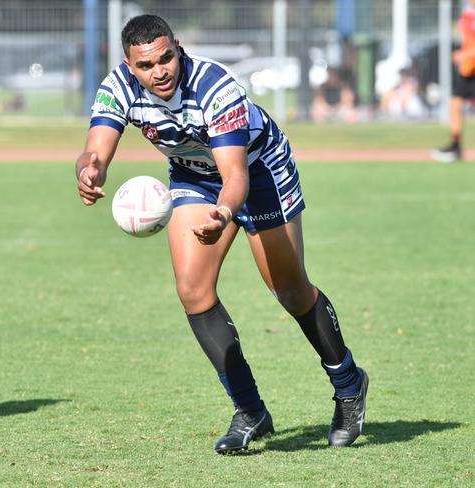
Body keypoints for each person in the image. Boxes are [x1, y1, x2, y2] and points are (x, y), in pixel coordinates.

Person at [75, 15, 368, 454]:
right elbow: (94, 148)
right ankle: (250, 411)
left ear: (177, 47)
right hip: (194, 176)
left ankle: (348, 383)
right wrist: (89, 168)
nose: (160, 71)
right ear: (129, 65)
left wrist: (224, 214)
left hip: (257, 170)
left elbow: (234, 175)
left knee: (288, 289)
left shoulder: (216, 87)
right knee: (193, 290)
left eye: (166, 58)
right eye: (146, 65)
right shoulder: (118, 86)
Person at [432, 0, 475, 163]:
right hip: (468, 70)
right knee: (455, 103)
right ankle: (456, 145)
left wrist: (465, 55)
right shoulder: (467, 12)